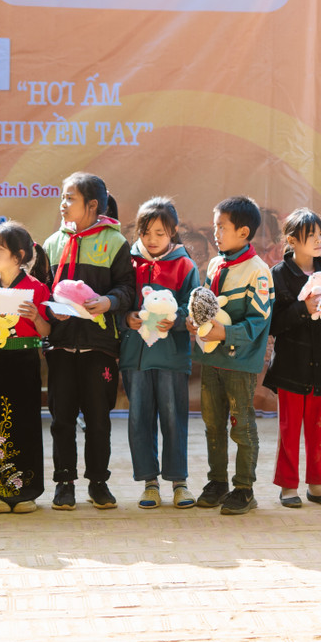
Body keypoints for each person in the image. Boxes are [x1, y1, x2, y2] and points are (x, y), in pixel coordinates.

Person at [41, 172, 135, 510]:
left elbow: (127, 289)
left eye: (70, 198)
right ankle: (64, 483)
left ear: (92, 205)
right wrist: (53, 313)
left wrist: (108, 302)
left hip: (101, 346)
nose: (63, 204)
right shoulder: (52, 244)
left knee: (98, 418)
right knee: (62, 418)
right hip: (62, 346)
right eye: (62, 197)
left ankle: (98, 482)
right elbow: (42, 293)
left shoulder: (115, 242)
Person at [189, 196, 274, 516]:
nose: (216, 233)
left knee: (241, 424)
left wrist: (224, 333)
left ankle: (244, 487)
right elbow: (207, 306)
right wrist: (195, 320)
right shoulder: (215, 264)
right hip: (213, 360)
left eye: (221, 227)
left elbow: (258, 320)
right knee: (213, 424)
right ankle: (217, 482)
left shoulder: (258, 271)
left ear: (243, 231)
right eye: (215, 227)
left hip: (239, 363)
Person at [264, 209, 321, 509]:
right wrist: (305, 307)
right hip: (290, 367)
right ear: (291, 240)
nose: (319, 241)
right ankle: (288, 486)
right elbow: (273, 325)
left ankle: (316, 483)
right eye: (311, 236)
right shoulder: (278, 275)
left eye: (320, 235)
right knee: (289, 429)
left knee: (318, 430)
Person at [119, 198, 200, 510]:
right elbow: (120, 298)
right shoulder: (127, 262)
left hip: (171, 357)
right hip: (135, 356)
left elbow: (193, 305)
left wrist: (176, 318)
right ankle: (149, 483)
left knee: (173, 416)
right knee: (139, 418)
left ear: (174, 233)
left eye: (160, 233)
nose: (152, 239)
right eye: (146, 232)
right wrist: (126, 317)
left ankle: (179, 482)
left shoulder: (185, 265)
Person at [0, 223, 50, 513]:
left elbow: (46, 331)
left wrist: (35, 317)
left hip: (25, 362)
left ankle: (25, 492)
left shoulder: (37, 288)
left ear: (19, 256)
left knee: (26, 424)